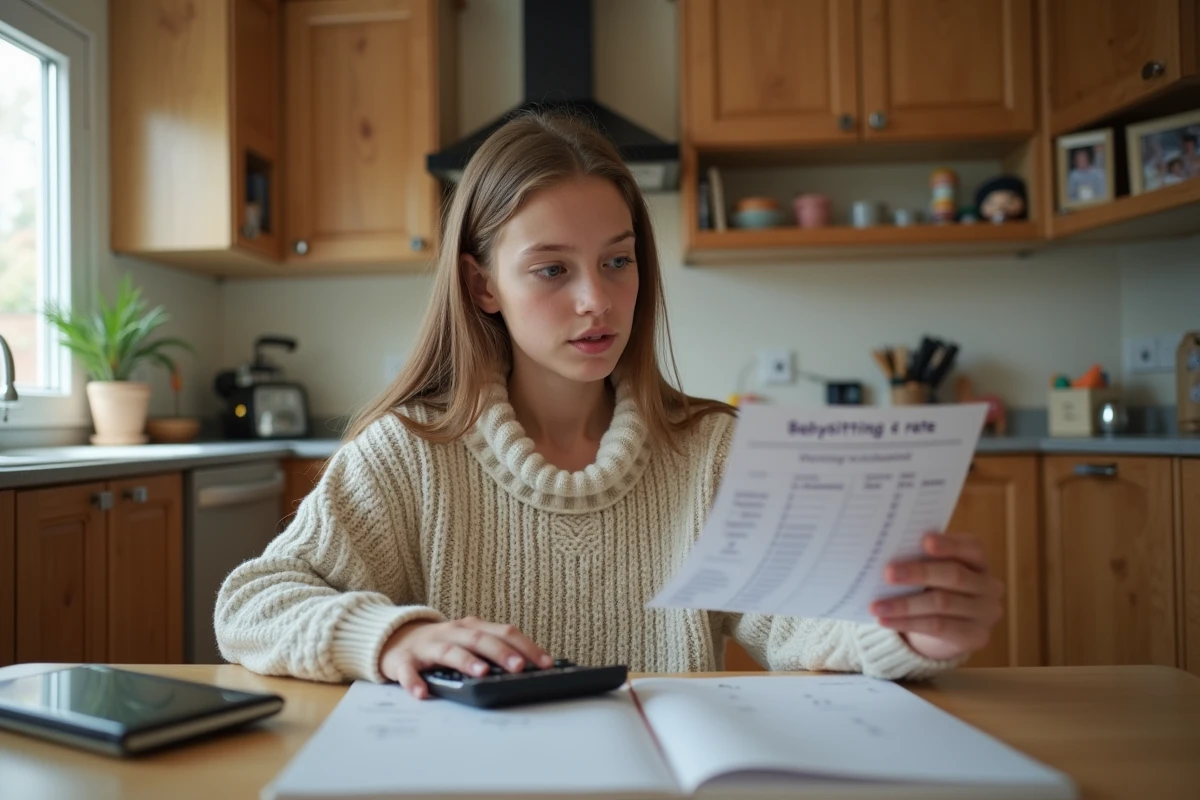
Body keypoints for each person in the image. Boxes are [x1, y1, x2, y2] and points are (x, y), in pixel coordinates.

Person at [214, 112, 1003, 698]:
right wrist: (391, 635)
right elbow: (252, 603)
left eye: (617, 260)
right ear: (483, 284)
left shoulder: (714, 451)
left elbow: (802, 627)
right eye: (552, 270)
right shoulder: (407, 452)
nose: (598, 301)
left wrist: (907, 630)